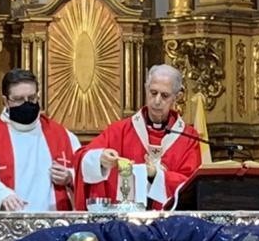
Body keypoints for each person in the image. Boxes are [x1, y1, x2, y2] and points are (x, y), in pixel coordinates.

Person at [74, 64, 202, 210]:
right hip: (124, 224)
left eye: (165, 95)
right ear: (146, 90)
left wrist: (156, 175)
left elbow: (192, 186)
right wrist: (100, 159)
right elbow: (80, 158)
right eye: (153, 93)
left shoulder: (189, 138)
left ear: (177, 97)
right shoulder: (120, 130)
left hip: (168, 225)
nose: (157, 101)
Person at [0, 68, 80, 212]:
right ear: (5, 101)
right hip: (8, 226)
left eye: (31, 98)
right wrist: (1, 195)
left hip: (53, 222)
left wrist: (69, 177)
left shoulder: (61, 135)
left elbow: (82, 171)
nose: (26, 103)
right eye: (18, 99)